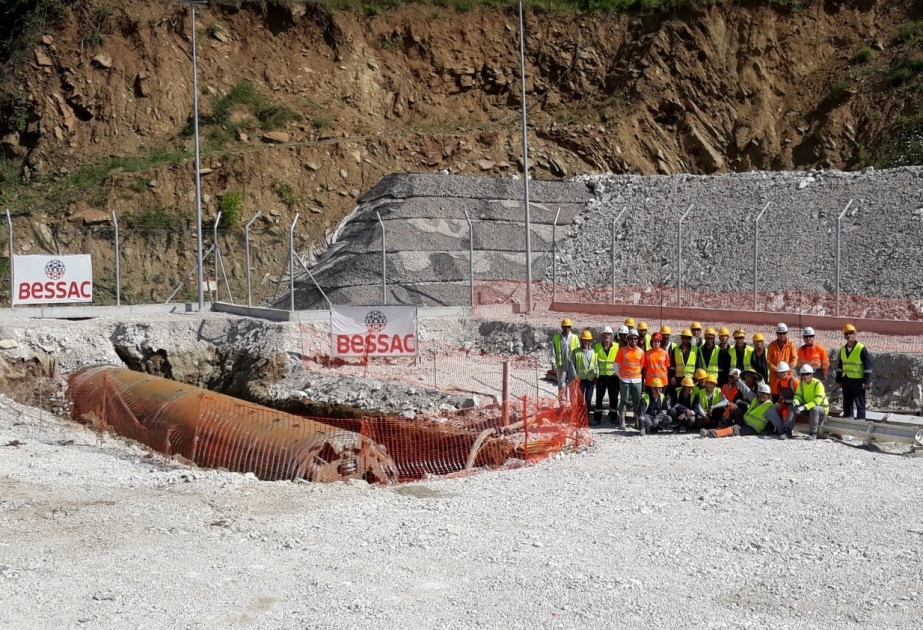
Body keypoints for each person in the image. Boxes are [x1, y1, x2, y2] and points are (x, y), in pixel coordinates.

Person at [703, 382, 782, 438]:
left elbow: (778, 422)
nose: (761, 395)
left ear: (768, 395)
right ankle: (720, 427)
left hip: (752, 428)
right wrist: (738, 381)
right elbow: (746, 390)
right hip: (744, 420)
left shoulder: (769, 407)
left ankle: (710, 433)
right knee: (732, 406)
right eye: (760, 393)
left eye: (764, 394)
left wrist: (782, 433)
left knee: (733, 429)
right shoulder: (756, 399)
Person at [835, 323, 872, 419]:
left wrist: (867, 381)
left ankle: (861, 423)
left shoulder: (861, 348)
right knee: (847, 402)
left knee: (860, 403)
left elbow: (867, 366)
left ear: (855, 334)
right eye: (846, 333)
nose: (849, 335)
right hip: (846, 379)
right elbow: (840, 365)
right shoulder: (842, 349)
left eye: (851, 333)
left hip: (858, 381)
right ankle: (848, 421)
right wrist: (838, 379)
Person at [616, 329, 645, 430]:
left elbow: (641, 365)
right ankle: (622, 423)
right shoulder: (622, 351)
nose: (634, 340)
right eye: (631, 338)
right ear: (628, 339)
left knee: (637, 401)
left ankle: (637, 422)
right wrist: (621, 376)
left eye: (635, 338)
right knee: (624, 400)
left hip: (637, 380)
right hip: (625, 380)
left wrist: (634, 374)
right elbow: (616, 365)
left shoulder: (641, 352)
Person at [792, 364, 829, 439]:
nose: (805, 376)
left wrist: (805, 407)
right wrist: (796, 403)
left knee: (814, 409)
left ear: (812, 374)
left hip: (822, 408)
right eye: (803, 374)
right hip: (807, 407)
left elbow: (817, 401)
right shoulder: (801, 385)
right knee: (791, 407)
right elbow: (797, 396)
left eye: (807, 374)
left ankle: (813, 433)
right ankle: (787, 430)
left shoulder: (818, 384)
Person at [593, 326, 619, 426]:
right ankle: (597, 417)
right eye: (605, 334)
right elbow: (595, 362)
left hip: (613, 376)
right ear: (602, 335)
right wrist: (595, 375)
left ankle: (613, 416)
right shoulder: (597, 347)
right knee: (599, 397)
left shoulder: (616, 346)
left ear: (611, 336)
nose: (607, 336)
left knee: (613, 398)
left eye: (609, 334)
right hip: (601, 377)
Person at [572, 330, 598, 421]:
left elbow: (596, 365)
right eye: (584, 340)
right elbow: (572, 367)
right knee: (579, 400)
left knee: (588, 401)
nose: (585, 342)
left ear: (589, 341)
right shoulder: (576, 352)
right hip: (580, 380)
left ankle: (586, 419)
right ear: (581, 340)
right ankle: (579, 418)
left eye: (587, 340)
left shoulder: (593, 352)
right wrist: (575, 379)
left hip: (590, 380)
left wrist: (596, 376)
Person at [770, 361, 800, 438]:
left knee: (790, 409)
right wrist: (776, 403)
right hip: (785, 402)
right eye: (780, 372)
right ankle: (776, 428)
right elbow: (775, 396)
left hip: (796, 403)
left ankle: (787, 430)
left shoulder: (794, 381)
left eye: (784, 372)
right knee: (773, 408)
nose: (782, 374)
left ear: (788, 372)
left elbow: (801, 395)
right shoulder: (778, 382)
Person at [552, 318, 579, 395]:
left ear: (570, 327)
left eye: (568, 327)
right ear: (562, 327)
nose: (566, 328)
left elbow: (579, 351)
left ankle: (573, 404)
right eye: (565, 327)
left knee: (573, 384)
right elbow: (552, 351)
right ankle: (563, 404)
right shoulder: (557, 338)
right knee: (562, 384)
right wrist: (553, 362)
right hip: (561, 365)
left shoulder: (575, 338)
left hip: (572, 365)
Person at [767, 323, 798, 390]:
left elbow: (794, 360)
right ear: (777, 334)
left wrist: (785, 371)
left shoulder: (791, 345)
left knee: (789, 394)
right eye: (780, 333)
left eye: (784, 333)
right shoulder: (771, 346)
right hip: (775, 376)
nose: (782, 335)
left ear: (786, 333)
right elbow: (769, 362)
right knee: (775, 395)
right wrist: (777, 371)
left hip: (788, 376)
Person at [643, 332, 670, 397]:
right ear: (652, 342)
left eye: (658, 341)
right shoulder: (647, 353)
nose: (656, 343)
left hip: (662, 382)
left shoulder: (665, 353)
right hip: (650, 382)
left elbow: (667, 367)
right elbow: (645, 368)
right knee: (650, 400)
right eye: (654, 341)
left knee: (661, 399)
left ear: (660, 342)